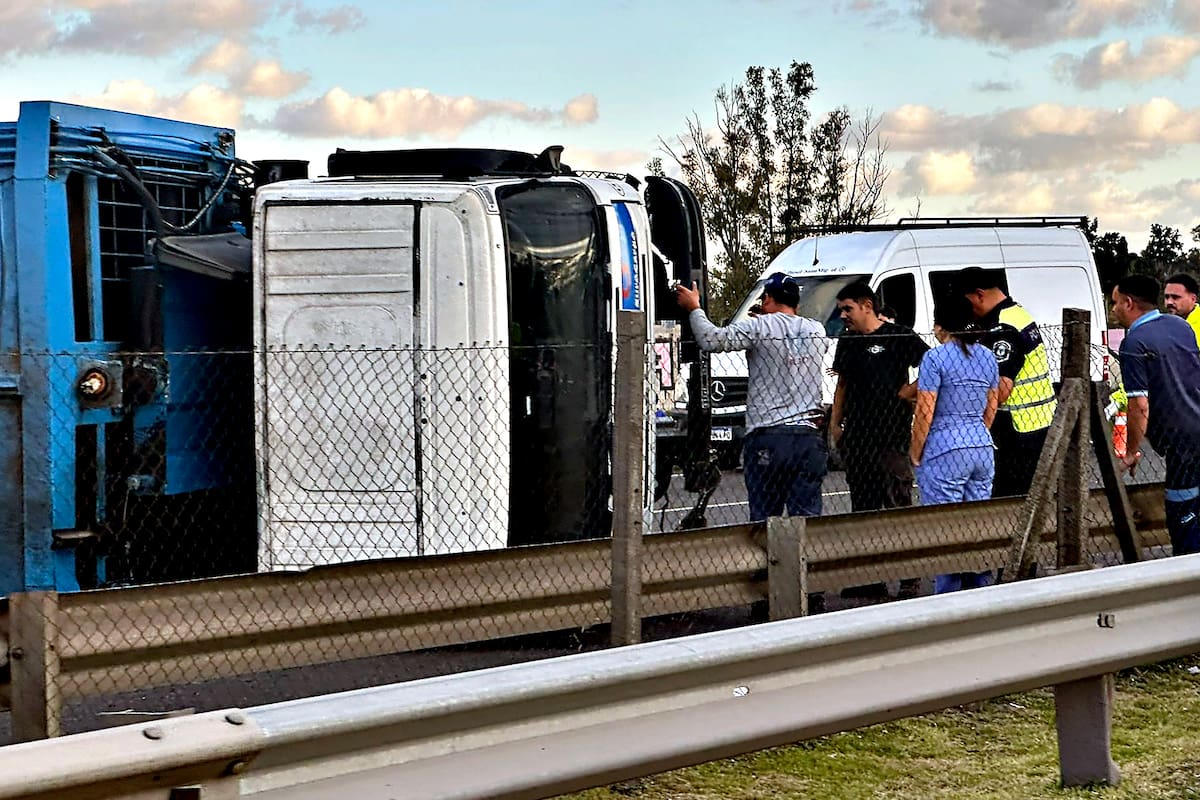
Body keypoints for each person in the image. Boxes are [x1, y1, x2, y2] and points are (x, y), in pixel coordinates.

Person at [675, 273, 828, 519]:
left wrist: (694, 308)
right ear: (796, 302)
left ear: (767, 298)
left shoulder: (758, 327)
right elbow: (788, 344)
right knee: (806, 517)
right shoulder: (816, 331)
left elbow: (711, 339)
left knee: (765, 517)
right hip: (807, 436)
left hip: (768, 434)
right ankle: (804, 556)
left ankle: (769, 554)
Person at [909, 300, 1000, 593]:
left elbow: (925, 409)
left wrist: (915, 451)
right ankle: (980, 590)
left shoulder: (935, 359)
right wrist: (977, 432)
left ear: (941, 326)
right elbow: (992, 405)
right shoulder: (987, 356)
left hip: (944, 445)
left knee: (945, 529)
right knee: (977, 525)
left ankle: (947, 596)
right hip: (980, 445)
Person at [1111, 274, 1200, 556]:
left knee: (1183, 514)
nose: (1112, 309)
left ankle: (1186, 582)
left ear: (1128, 303)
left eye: (1114, 303)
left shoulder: (1134, 343)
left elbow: (1139, 404)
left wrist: (1132, 451)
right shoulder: (1180, 326)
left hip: (1182, 442)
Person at [957, 267, 1056, 498]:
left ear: (979, 294)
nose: (968, 311)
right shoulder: (1017, 313)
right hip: (1036, 425)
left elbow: (1000, 389)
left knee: (1010, 500)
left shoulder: (1003, 329)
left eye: (968, 302)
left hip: (1018, 432)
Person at [830, 282, 929, 512]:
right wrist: (835, 424)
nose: (843, 315)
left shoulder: (899, 335)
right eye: (841, 310)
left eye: (847, 309)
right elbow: (842, 383)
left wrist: (910, 390)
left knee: (897, 507)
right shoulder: (847, 341)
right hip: (857, 439)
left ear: (867, 306)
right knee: (863, 509)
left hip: (892, 437)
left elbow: (935, 365)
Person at [1162, 273, 1200, 347]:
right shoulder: (1160, 324)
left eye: (1175, 297)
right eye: (1166, 297)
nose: (1169, 302)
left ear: (1193, 299)